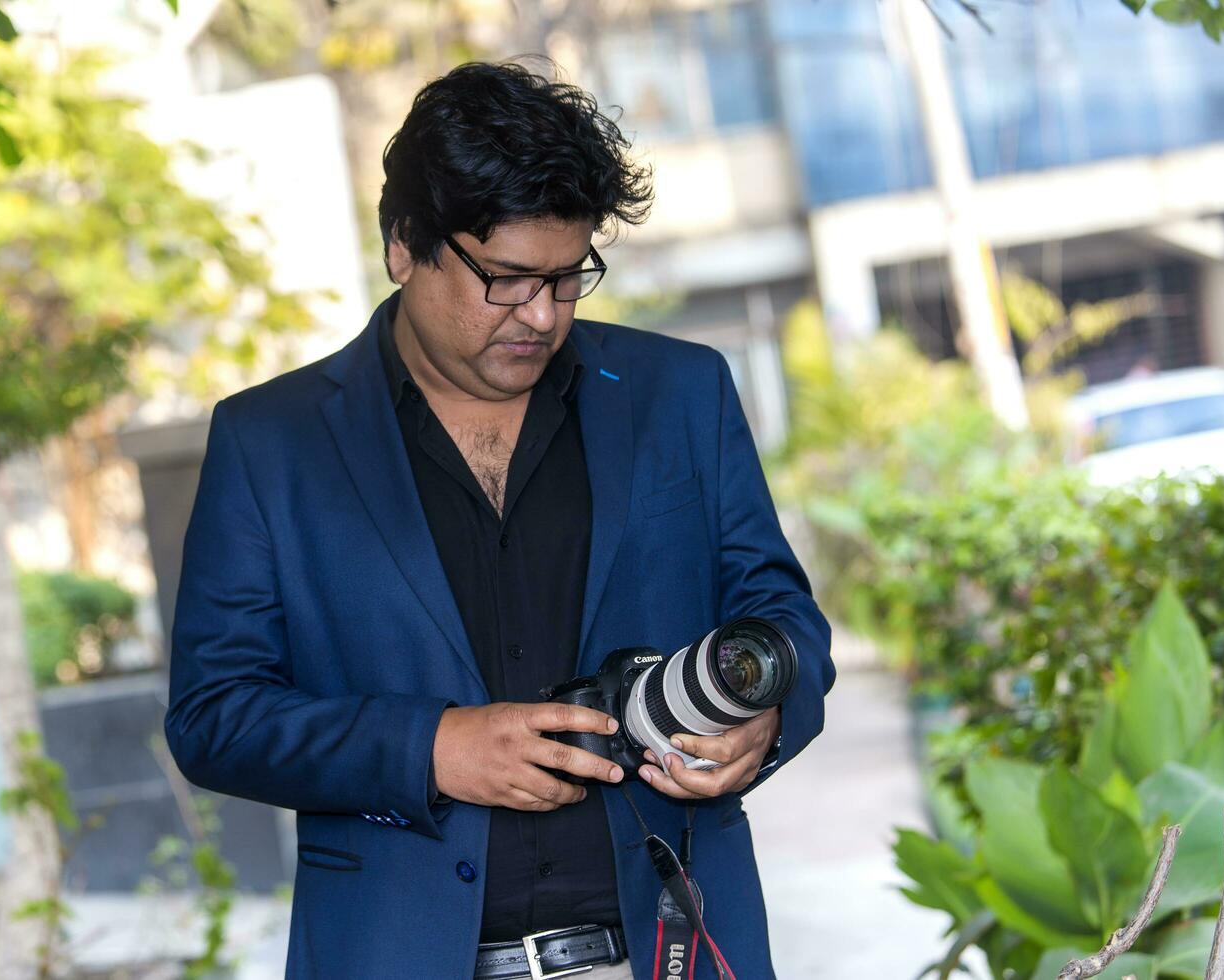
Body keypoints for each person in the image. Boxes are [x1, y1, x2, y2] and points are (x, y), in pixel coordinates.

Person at [164, 59, 834, 980]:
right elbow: (214, 717)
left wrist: (765, 721)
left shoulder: (681, 392)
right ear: (405, 244)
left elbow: (787, 621)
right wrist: (431, 747)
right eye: (507, 278)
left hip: (669, 949)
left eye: (568, 279)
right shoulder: (269, 443)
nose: (541, 315)